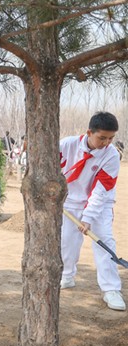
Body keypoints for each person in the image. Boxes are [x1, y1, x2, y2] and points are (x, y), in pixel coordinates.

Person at [59, 111, 125, 311]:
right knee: (67, 242)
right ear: (89, 132)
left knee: (104, 242)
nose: (107, 142)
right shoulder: (66, 145)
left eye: (111, 138)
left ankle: (111, 289)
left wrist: (88, 218)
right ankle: (67, 275)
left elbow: (102, 190)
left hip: (100, 205)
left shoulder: (112, 155)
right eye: (102, 137)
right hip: (70, 202)